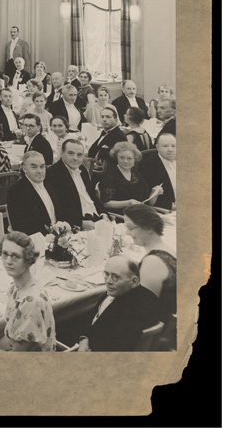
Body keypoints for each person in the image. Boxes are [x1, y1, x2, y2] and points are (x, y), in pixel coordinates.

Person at [75, 256, 160, 352]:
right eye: (106, 274)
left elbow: (116, 346)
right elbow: (93, 317)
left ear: (134, 281)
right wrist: (83, 339)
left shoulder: (137, 308)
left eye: (115, 277)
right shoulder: (119, 290)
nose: (108, 281)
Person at [123, 204, 177, 340]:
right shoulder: (165, 249)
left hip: (158, 335)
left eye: (130, 228)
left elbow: (144, 312)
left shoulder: (152, 262)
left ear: (148, 227)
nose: (127, 233)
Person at [0, 232, 56, 352]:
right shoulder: (18, 287)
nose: (8, 261)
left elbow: (17, 358)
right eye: (5, 254)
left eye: (15, 256)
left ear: (28, 260)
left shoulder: (31, 302)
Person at [45, 139, 104, 230]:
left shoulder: (82, 169)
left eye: (79, 155)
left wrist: (103, 214)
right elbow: (58, 207)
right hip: (78, 223)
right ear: (62, 153)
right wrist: (80, 222)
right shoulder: (53, 174)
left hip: (96, 218)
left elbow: (92, 196)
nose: (75, 158)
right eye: (71, 153)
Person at [100, 142, 163, 212]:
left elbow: (148, 203)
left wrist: (154, 193)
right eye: (121, 157)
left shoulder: (137, 174)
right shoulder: (110, 176)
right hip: (122, 215)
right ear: (116, 157)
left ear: (134, 160)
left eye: (129, 158)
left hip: (140, 213)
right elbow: (106, 204)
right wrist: (128, 203)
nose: (125, 161)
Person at [7, 151, 59, 235]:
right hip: (37, 240)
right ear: (24, 169)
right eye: (34, 167)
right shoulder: (16, 191)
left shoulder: (50, 185)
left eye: (42, 167)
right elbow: (19, 225)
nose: (39, 171)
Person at [139, 133, 176, 210]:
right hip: (166, 210)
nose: (170, 149)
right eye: (165, 146)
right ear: (157, 147)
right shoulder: (148, 166)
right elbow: (146, 197)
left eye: (173, 146)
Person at [87, 107, 125, 176]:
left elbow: (115, 157)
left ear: (116, 120)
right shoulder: (104, 132)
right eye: (102, 117)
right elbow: (93, 150)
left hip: (106, 173)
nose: (104, 119)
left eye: (108, 117)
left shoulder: (119, 136)